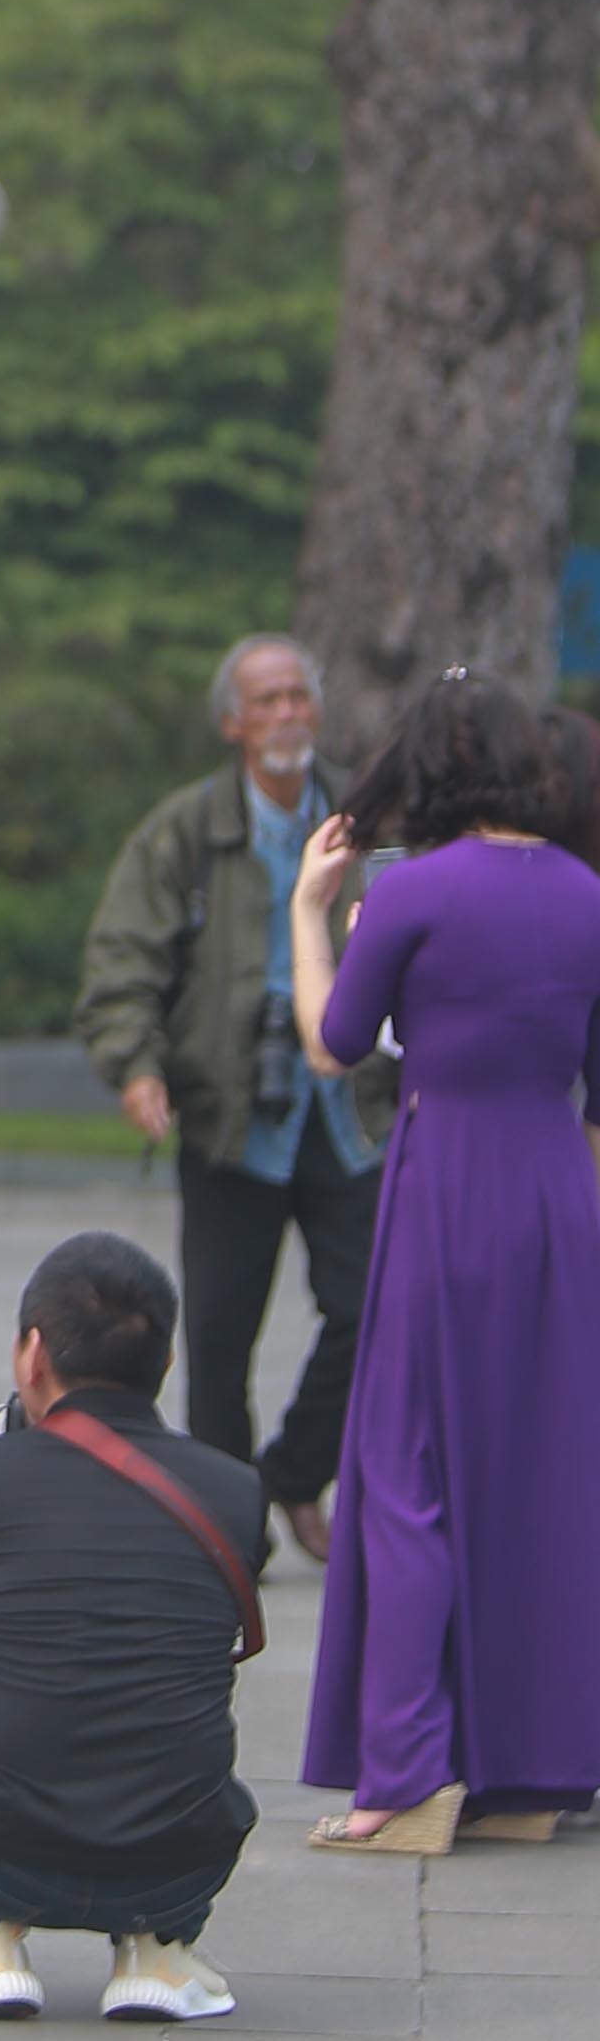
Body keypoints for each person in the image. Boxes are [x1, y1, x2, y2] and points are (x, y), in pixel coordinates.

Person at [291, 669, 600, 1853]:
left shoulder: (414, 890)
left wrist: (313, 913)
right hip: (555, 1193)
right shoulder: (585, 891)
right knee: (538, 1473)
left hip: (446, 1186)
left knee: (405, 1468)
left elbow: (338, 1044)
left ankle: (411, 1772)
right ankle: (527, 1776)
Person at [0, 1232, 262, 2023]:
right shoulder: (235, 1490)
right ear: (164, 1364)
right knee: (174, 1727)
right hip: (178, 1860)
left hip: (2, 1851)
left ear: (30, 1354)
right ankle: (159, 1950)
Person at [74, 631, 386, 1557]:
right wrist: (136, 1066)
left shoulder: (361, 820)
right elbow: (120, 962)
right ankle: (223, 1526)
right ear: (230, 722)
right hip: (230, 1115)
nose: (287, 713)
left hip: (347, 1113)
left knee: (372, 1306)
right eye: (266, 700)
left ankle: (291, 1475)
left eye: (298, 695)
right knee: (215, 1331)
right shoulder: (184, 830)